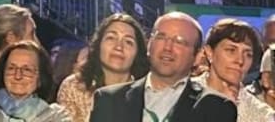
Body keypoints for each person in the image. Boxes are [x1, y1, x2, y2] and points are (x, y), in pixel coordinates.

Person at [90, 13, 236, 122]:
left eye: (179, 41)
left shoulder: (216, 107)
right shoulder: (109, 99)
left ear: (197, 56)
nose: (168, 47)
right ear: (149, 45)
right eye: (161, 37)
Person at [56, 14, 148, 122]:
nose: (119, 47)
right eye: (111, 38)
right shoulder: (74, 86)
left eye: (128, 42)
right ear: (98, 45)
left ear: (137, 53)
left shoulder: (146, 94)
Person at [195, 19, 271, 122]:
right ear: (209, 52)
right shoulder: (181, 95)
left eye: (248, 54)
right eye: (231, 50)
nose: (240, 60)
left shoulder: (262, 115)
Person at [0, 41, 72, 122]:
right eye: (11, 68)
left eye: (27, 70)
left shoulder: (56, 116)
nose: (18, 76)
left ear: (40, 78)